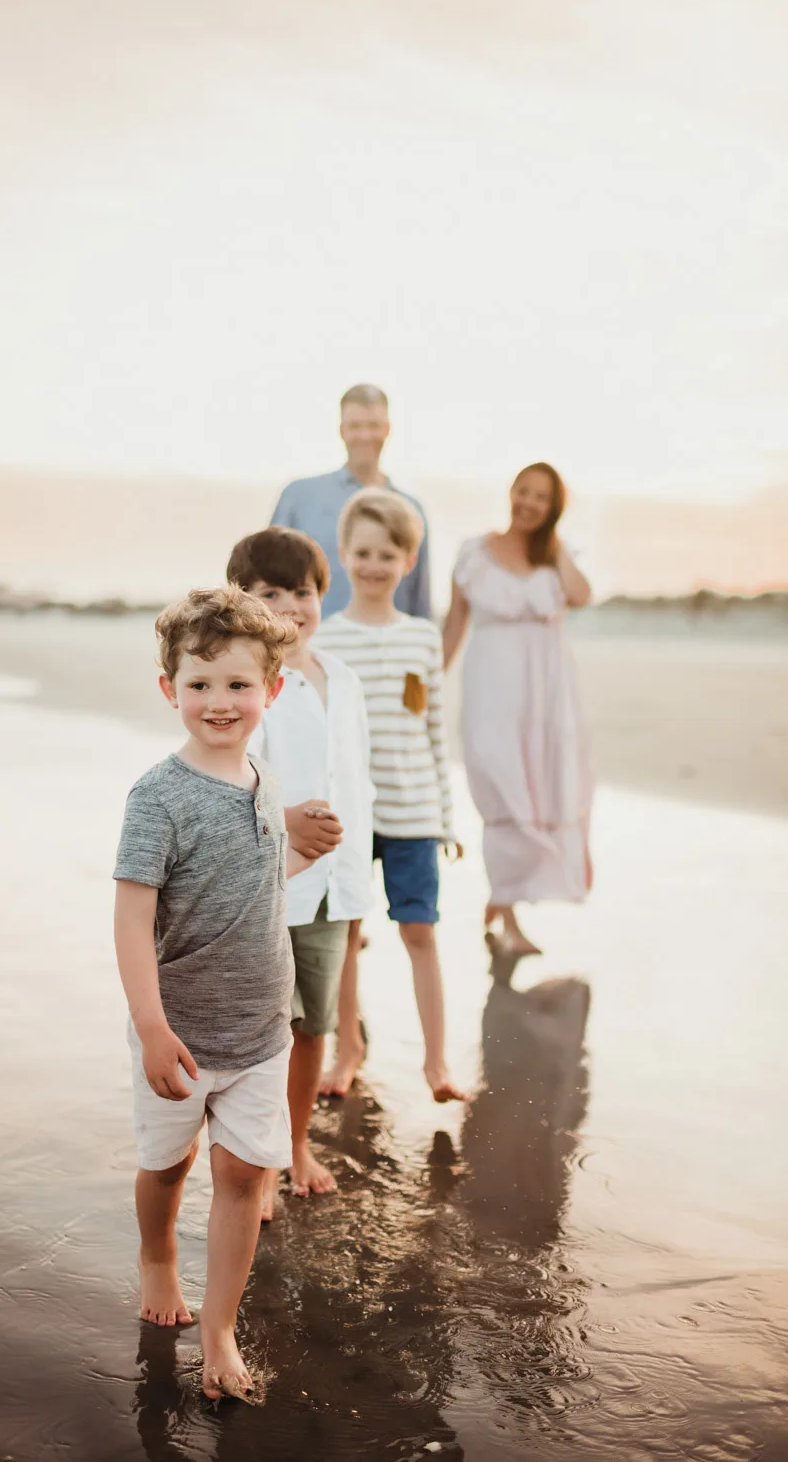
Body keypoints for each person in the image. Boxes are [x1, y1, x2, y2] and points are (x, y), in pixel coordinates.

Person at [112, 585, 317, 1401]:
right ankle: (157, 1256)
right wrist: (151, 1027)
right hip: (181, 1029)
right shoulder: (156, 797)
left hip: (262, 1030)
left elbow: (255, 888)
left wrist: (298, 849)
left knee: (242, 1178)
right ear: (170, 691)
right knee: (169, 1164)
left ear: (269, 690)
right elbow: (132, 922)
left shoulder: (263, 780)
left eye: (237, 685)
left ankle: (223, 1327)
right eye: (199, 684)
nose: (218, 702)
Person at [227, 525, 374, 1218]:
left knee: (313, 1024)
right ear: (241, 600)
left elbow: (356, 781)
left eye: (304, 591)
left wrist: (358, 884)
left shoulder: (341, 679)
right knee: (267, 1031)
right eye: (270, 593)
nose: (290, 604)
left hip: (334, 887)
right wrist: (284, 819)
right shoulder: (249, 682)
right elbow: (231, 778)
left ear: (323, 596)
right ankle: (253, 1166)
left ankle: (295, 1144)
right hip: (270, 884)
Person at [315, 488, 465, 1104]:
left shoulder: (422, 640)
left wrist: (447, 818)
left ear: (408, 561)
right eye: (363, 552)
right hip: (349, 818)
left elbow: (431, 731)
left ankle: (437, 1063)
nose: (375, 564)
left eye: (389, 553)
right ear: (344, 555)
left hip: (414, 815)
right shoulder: (322, 640)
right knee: (346, 935)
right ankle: (346, 1050)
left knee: (420, 933)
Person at [441, 462, 593, 961]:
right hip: (492, 687)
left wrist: (557, 545)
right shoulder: (474, 552)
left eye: (541, 498)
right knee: (501, 784)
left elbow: (581, 596)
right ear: (510, 491)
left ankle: (504, 899)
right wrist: (427, 681)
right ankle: (507, 910)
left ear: (553, 508)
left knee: (540, 786)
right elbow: (455, 624)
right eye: (523, 491)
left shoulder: (552, 556)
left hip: (548, 693)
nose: (529, 503)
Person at [270, 384, 432, 619]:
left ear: (387, 429)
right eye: (355, 426)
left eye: (373, 425)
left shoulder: (412, 510)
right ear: (342, 430)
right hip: (310, 646)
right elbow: (265, 582)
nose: (365, 435)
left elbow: (420, 602)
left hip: (389, 650)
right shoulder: (298, 497)